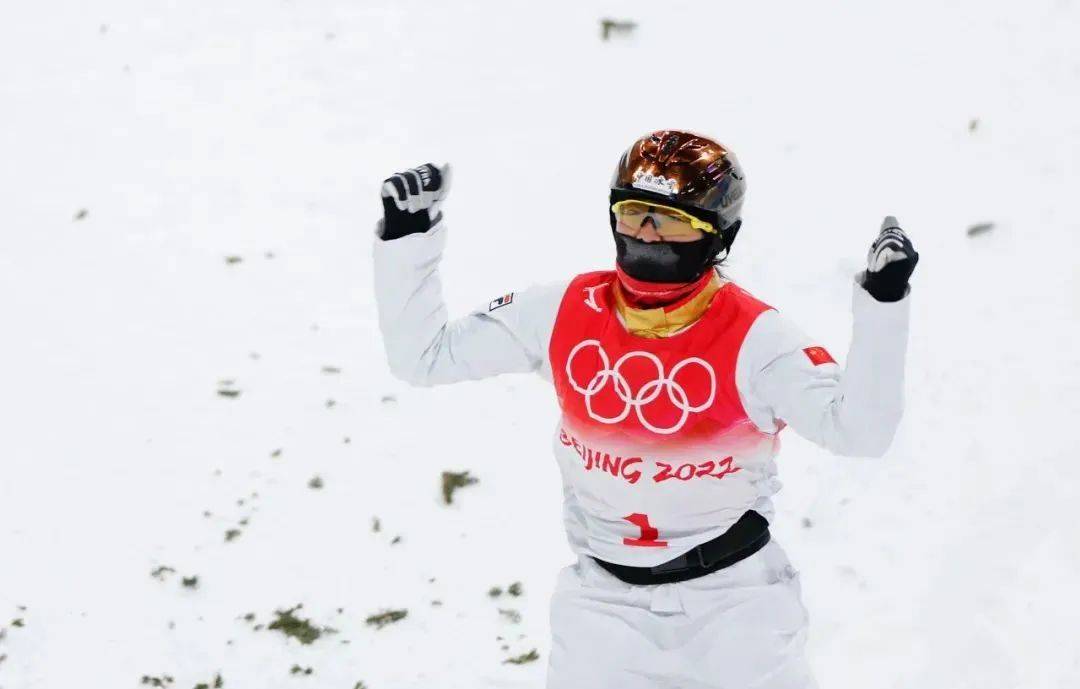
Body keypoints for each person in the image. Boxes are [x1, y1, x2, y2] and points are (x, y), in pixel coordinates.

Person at [373, 130, 917, 689]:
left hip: (736, 608)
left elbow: (861, 433)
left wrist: (884, 301)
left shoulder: (757, 338)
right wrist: (408, 233)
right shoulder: (562, 310)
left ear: (718, 235)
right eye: (635, 213)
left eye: (671, 220)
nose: (647, 234)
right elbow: (424, 357)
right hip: (603, 609)